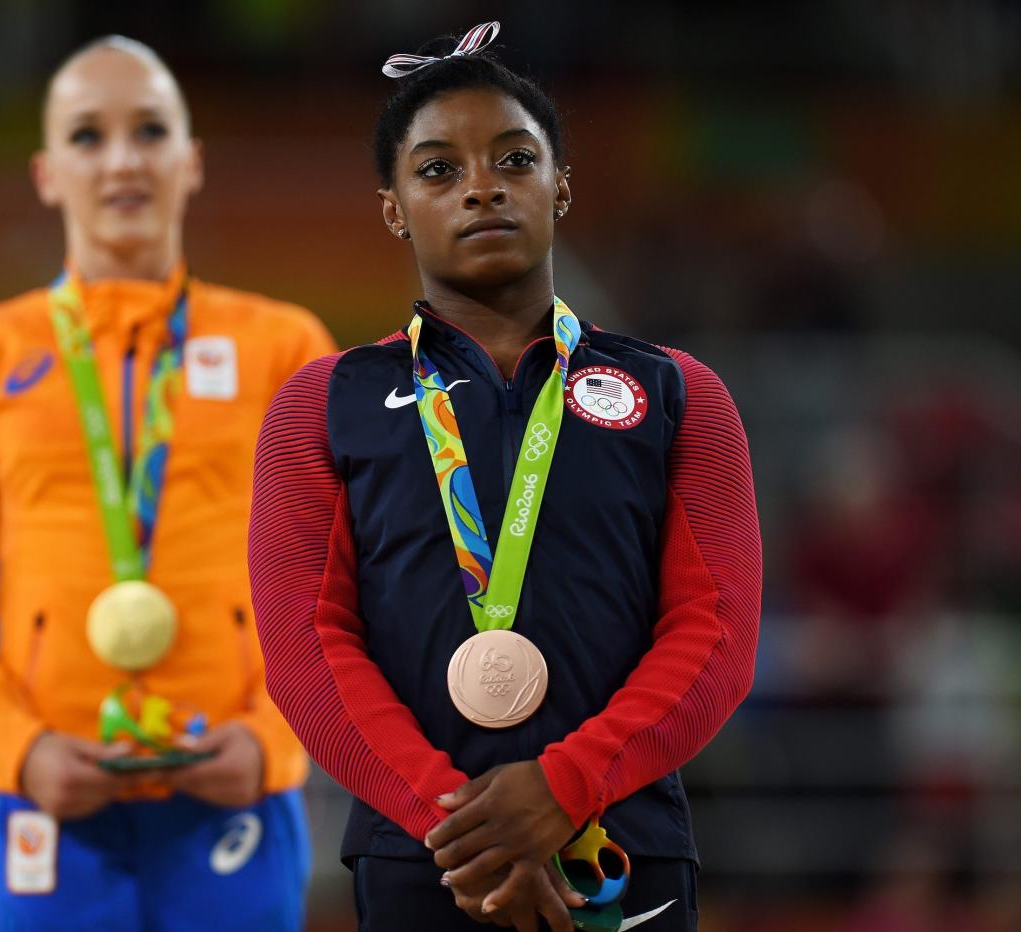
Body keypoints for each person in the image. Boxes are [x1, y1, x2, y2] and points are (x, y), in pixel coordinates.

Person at [249, 22, 761, 932]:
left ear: (560, 187)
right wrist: (467, 829)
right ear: (394, 207)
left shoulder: (677, 393)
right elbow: (306, 652)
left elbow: (714, 636)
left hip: (620, 848)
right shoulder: (322, 404)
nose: (481, 184)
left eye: (514, 159)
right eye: (438, 169)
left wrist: (564, 789)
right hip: (424, 859)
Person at [0, 36, 335, 931]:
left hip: (238, 789)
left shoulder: (285, 349)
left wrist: (274, 741)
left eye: (151, 130)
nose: (123, 159)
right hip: (45, 796)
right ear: (47, 173)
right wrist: (19, 748)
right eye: (88, 136)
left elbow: (339, 583)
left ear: (191, 161)